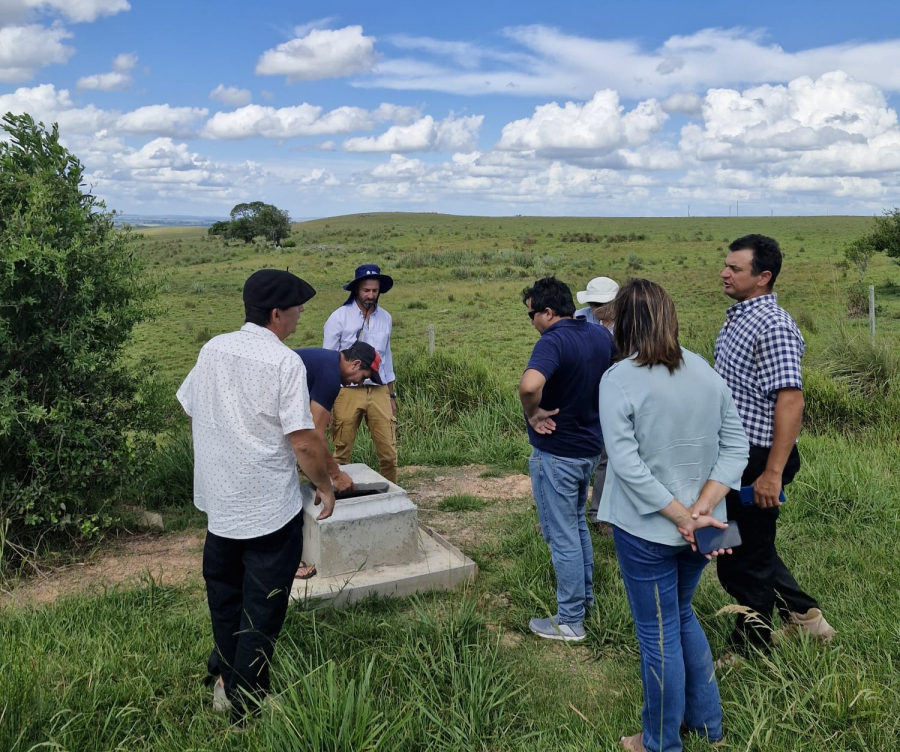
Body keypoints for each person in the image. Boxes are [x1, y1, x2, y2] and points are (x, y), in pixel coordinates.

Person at [176, 269, 336, 720]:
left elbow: (191, 410)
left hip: (220, 506)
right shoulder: (285, 362)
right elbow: (303, 441)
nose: (302, 313)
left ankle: (225, 680)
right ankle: (247, 705)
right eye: (297, 307)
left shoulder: (212, 349)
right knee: (262, 609)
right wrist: (324, 486)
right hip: (269, 510)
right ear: (276, 314)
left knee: (225, 598)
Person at [597, 279, 749, 752]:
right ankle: (707, 726)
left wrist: (683, 515)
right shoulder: (704, 369)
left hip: (649, 529)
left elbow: (627, 466)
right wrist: (704, 508)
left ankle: (660, 742)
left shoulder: (618, 378)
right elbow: (736, 446)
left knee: (657, 635)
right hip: (706, 529)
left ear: (622, 322)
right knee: (682, 615)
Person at [713, 234, 835, 651]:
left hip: (758, 457)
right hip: (735, 454)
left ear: (763, 277)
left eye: (735, 268)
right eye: (726, 265)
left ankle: (751, 645)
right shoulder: (741, 316)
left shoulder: (773, 325)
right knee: (736, 546)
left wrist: (772, 473)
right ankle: (805, 619)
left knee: (744, 556)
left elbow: (790, 400)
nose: (724, 273)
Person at [519, 276, 613, 642]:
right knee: (575, 526)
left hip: (556, 453)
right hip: (589, 448)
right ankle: (584, 601)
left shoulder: (553, 341)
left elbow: (529, 385)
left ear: (547, 312)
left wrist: (534, 413)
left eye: (531, 315)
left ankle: (571, 619)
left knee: (562, 536)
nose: (531, 323)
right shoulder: (599, 335)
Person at [292, 340, 384, 579]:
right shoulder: (332, 376)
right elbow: (313, 435)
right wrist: (335, 475)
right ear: (354, 364)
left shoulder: (328, 362)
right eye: (364, 376)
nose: (361, 383)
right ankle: (287, 560)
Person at [323, 264, 398, 483]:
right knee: (341, 451)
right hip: (347, 390)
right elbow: (328, 360)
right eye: (366, 290)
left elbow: (387, 357)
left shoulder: (386, 318)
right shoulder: (338, 318)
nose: (371, 295)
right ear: (357, 290)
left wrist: (391, 395)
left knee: (389, 452)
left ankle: (391, 494)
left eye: (375, 291)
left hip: (378, 389)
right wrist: (327, 401)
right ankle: (336, 495)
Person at [576, 276, 619, 531]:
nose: (595, 308)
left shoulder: (628, 322)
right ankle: (571, 515)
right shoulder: (579, 317)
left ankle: (600, 514)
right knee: (578, 454)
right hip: (585, 392)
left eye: (600, 304)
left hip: (614, 395)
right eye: (592, 303)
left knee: (609, 455)